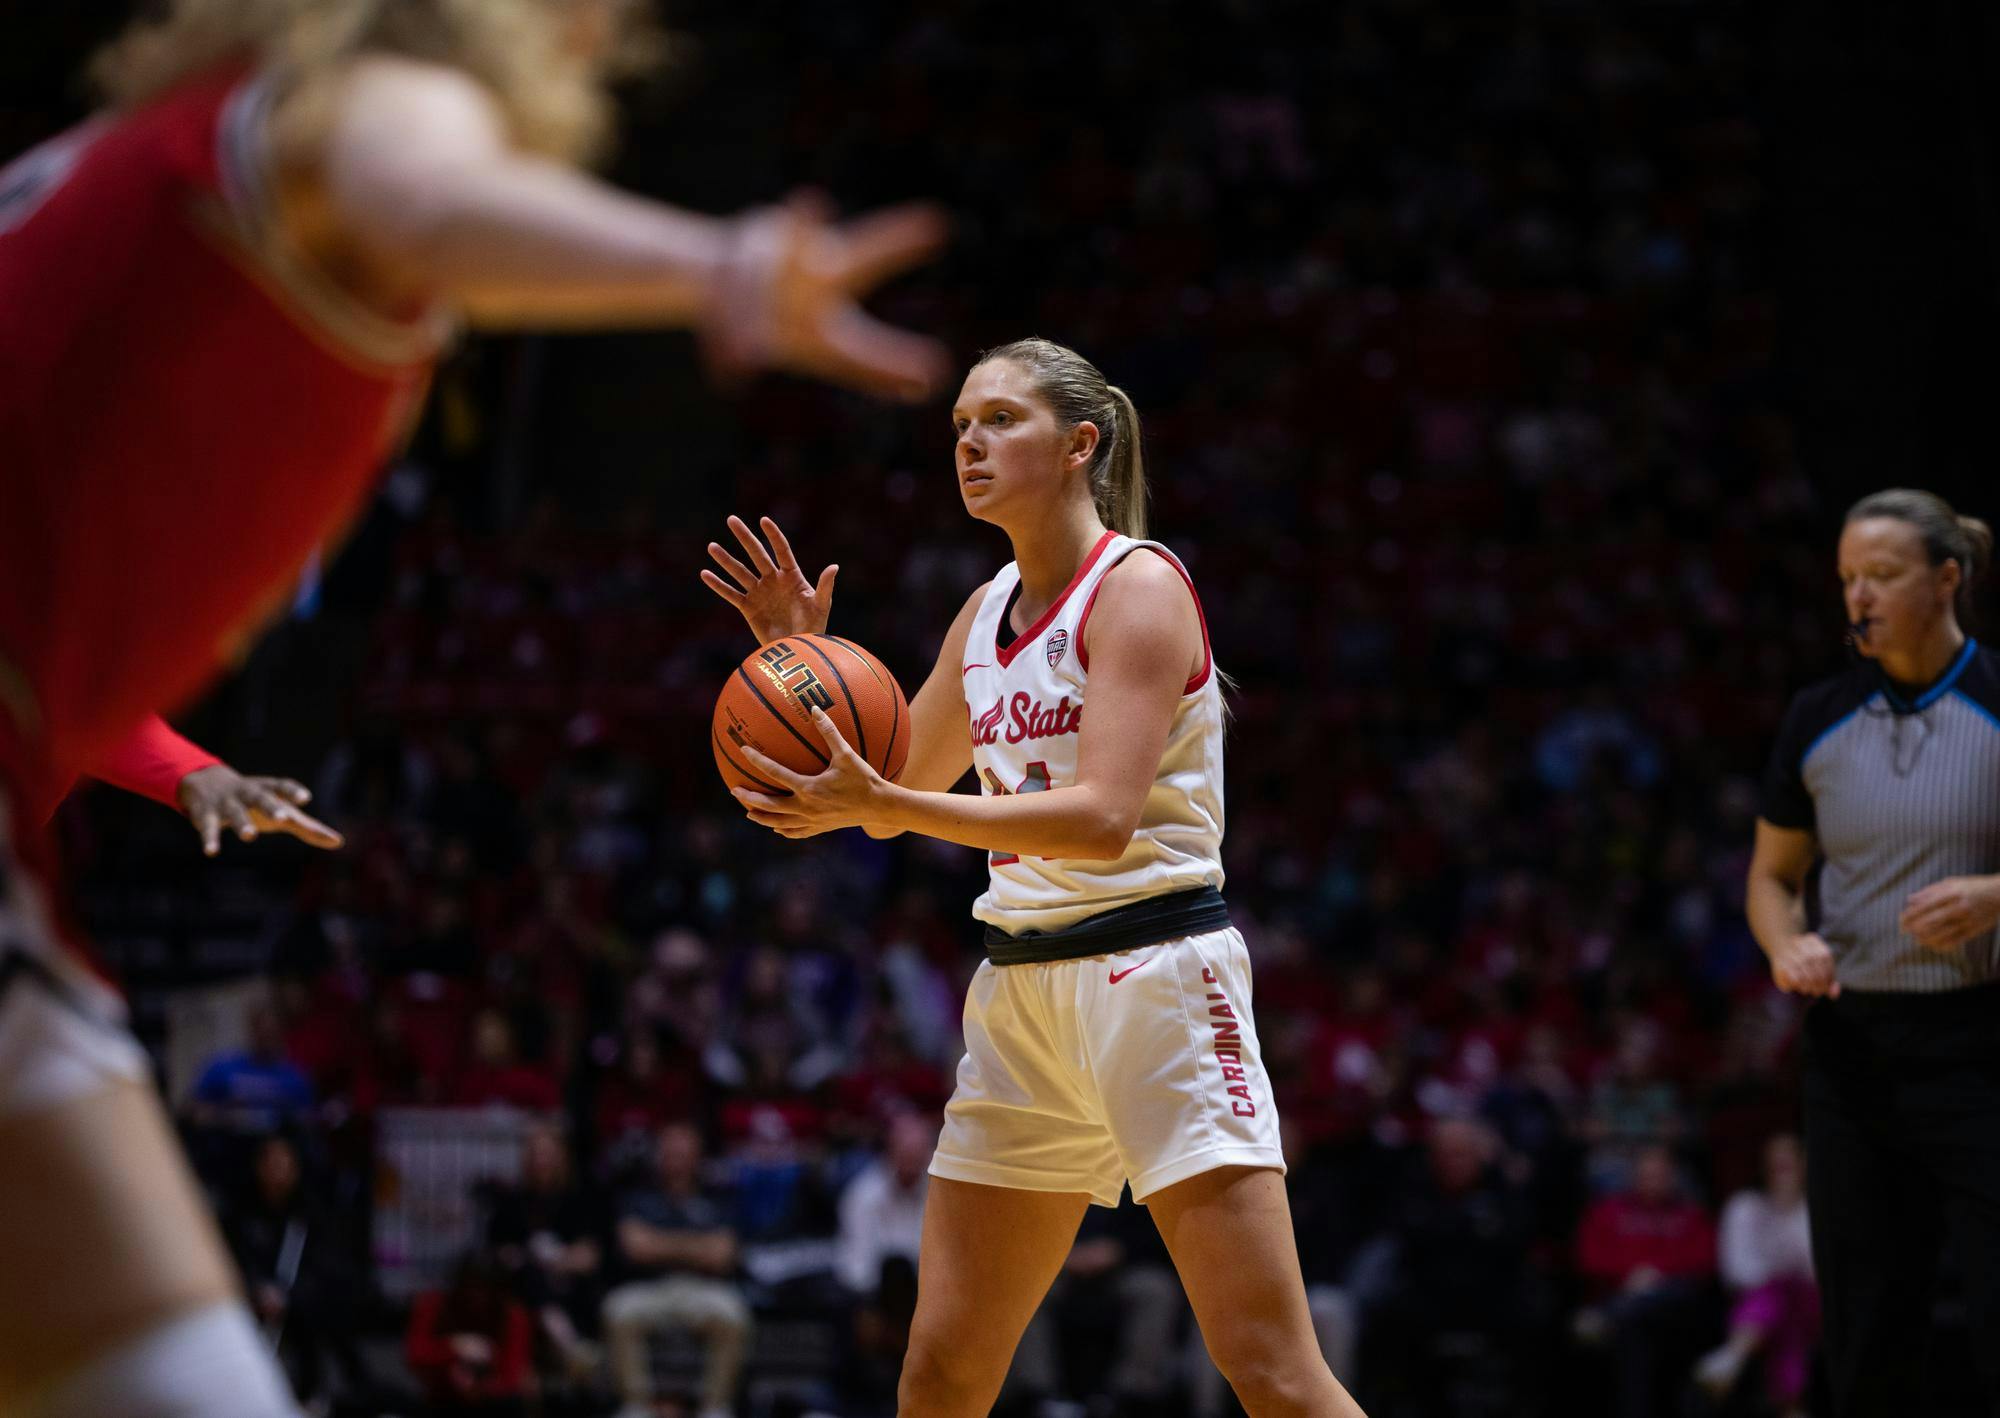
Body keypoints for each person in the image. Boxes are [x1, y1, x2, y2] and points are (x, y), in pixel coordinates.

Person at [0, 1, 946, 1410]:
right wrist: (715, 264)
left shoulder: (151, 140)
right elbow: (419, 195)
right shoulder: (375, 92)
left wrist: (173, 765)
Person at [705, 337, 1365, 1416]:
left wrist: (890, 805)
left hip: (1154, 978)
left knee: (1273, 1371)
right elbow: (891, 781)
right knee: (942, 1370)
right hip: (1019, 995)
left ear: (1078, 445)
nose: (968, 441)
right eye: (959, 424)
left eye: (999, 419)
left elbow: (1102, 818)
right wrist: (803, 667)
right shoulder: (982, 611)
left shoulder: (1138, 588)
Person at [1748, 487, 2000, 1415]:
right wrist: (1786, 946)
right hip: (1856, 1052)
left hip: (1984, 1045)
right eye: (1849, 577)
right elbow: (1772, 879)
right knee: (1865, 1335)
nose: (1859, 595)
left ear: (1948, 579)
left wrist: (1995, 896)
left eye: (1883, 576)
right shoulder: (1818, 716)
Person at [600, 1121, 751, 1418]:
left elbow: (722, 1254)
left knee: (734, 1316)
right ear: (659, 1156)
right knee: (617, 1310)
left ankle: (715, 1406)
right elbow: (635, 1247)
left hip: (702, 1288)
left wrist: (660, 1244)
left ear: (697, 1158)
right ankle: (636, 1406)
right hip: (650, 1287)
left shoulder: (716, 1196)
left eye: (684, 1154)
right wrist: (697, 1246)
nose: (677, 1160)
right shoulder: (639, 1195)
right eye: (670, 1153)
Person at [1572, 1144, 1717, 1418]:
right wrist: (1630, 1276)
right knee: (1636, 1328)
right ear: (1633, 1176)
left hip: (1677, 1305)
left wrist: (1654, 1276)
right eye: (1647, 1175)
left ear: (1673, 1177)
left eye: (1660, 1175)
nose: (1654, 1181)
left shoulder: (1690, 1214)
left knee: (1642, 1310)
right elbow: (1589, 1258)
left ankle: (1612, 1317)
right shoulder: (1606, 1211)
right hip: (1623, 1298)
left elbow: (1705, 1261)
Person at [1693, 1133, 1817, 1418]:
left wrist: (1789, 1209)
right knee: (1778, 1303)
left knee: (1786, 1294)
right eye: (1777, 1164)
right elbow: (1737, 1270)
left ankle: (1733, 1357)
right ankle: (1793, 1409)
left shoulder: (1815, 1210)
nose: (1783, 1170)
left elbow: (1816, 1270)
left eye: (1790, 1163)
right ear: (1764, 1167)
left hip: (1811, 1303)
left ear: (1805, 1166)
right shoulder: (1744, 1206)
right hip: (1758, 1301)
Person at [404, 1250, 535, 1417]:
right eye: (470, 1287)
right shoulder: (433, 1305)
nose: (476, 1296)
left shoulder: (513, 1316)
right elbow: (414, 1353)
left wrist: (477, 1386)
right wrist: (454, 1347)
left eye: (484, 1288)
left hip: (492, 1402)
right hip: (442, 1397)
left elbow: (510, 1376)